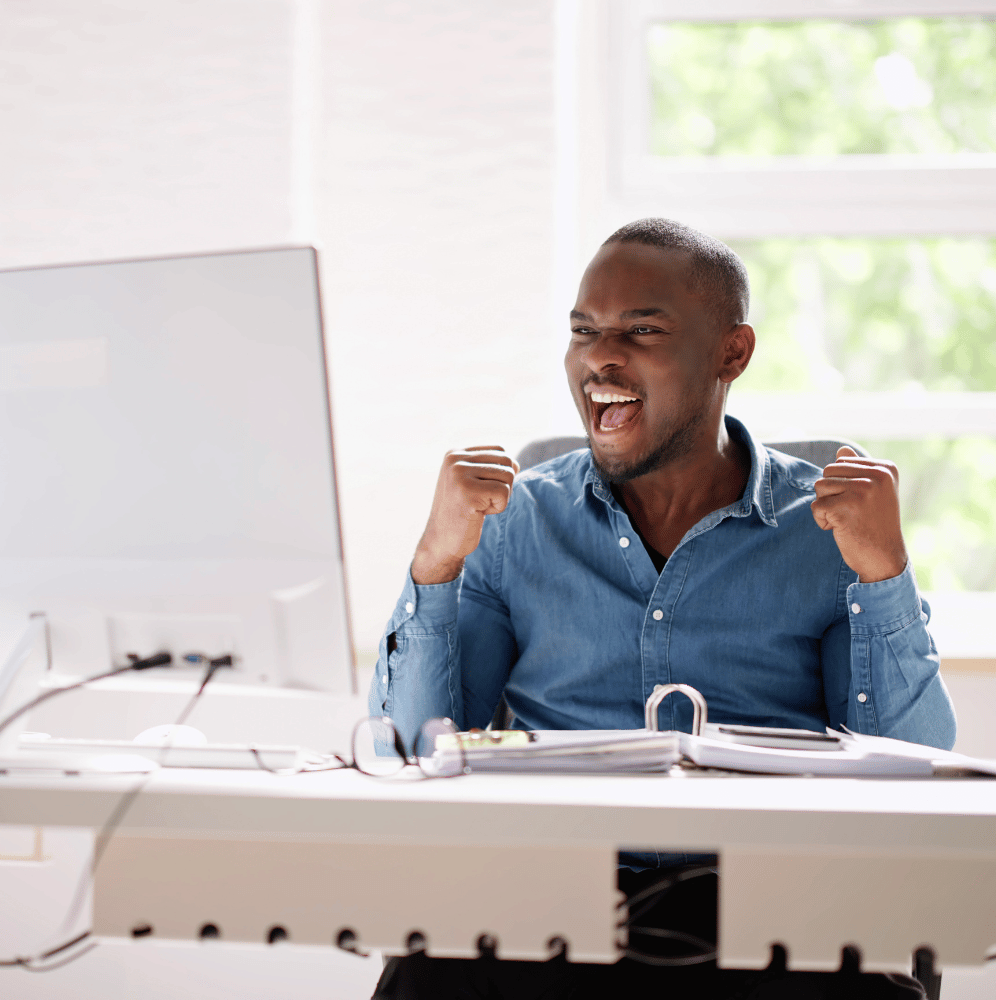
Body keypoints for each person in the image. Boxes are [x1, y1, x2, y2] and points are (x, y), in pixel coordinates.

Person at [369, 218, 955, 1000]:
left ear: (731, 354)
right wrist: (435, 564)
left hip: (765, 903)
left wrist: (884, 575)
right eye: (584, 331)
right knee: (424, 973)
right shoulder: (512, 523)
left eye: (642, 330)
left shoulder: (826, 532)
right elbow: (413, 753)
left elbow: (917, 779)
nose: (600, 358)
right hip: (558, 895)